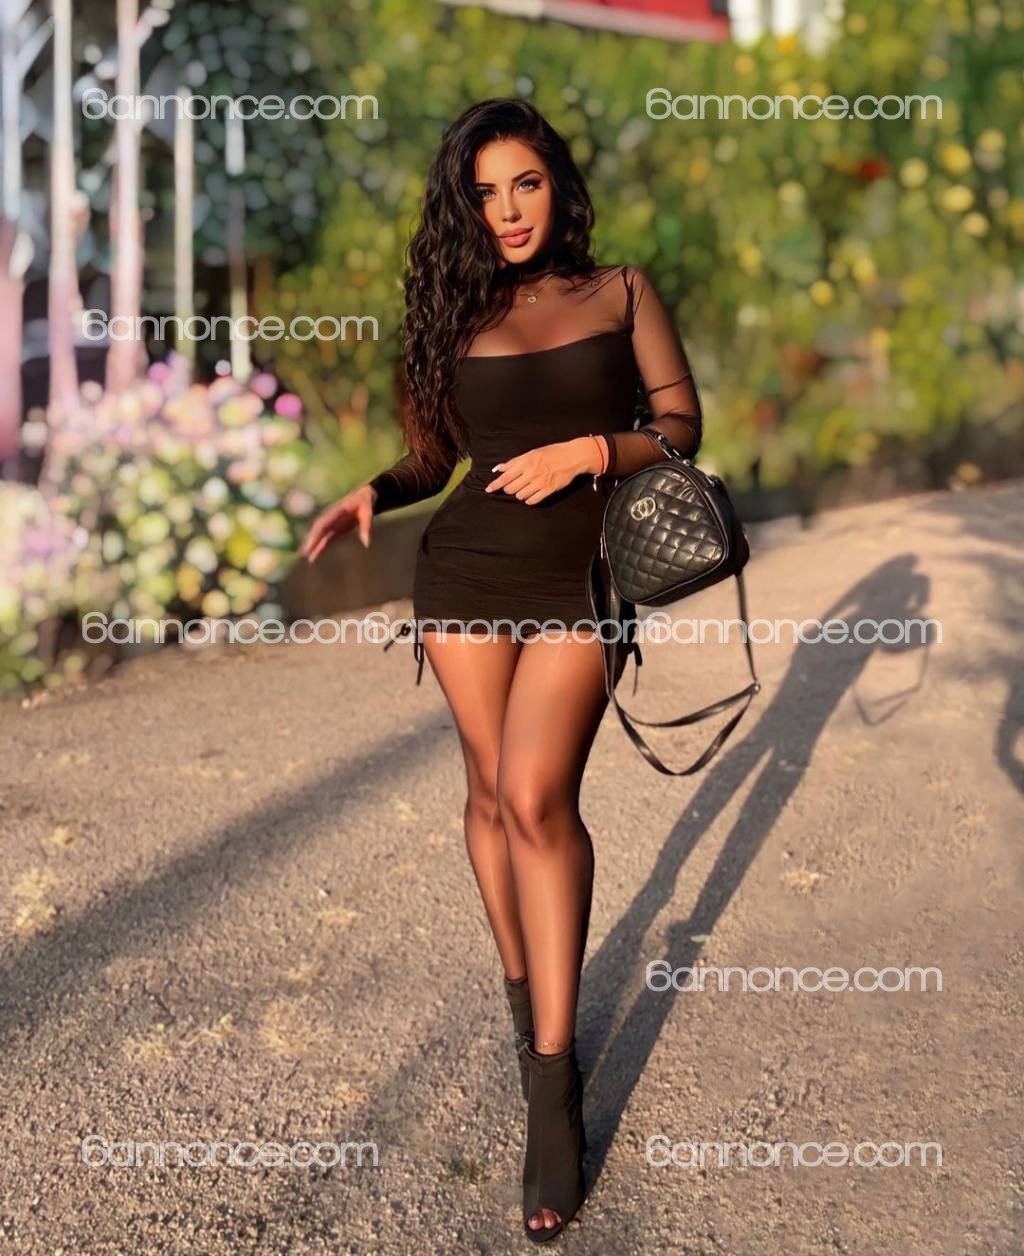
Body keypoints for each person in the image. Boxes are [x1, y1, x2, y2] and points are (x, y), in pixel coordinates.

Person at [300, 98, 702, 1244]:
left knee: (534, 795)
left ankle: (553, 1087)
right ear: (463, 207)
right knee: (485, 790)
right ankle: (526, 1010)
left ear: (557, 186)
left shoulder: (619, 291)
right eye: (484, 193)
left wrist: (591, 449)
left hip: (579, 580)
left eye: (524, 184)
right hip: (464, 573)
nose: (507, 210)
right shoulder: (452, 309)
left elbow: (681, 425)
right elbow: (438, 455)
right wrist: (375, 489)